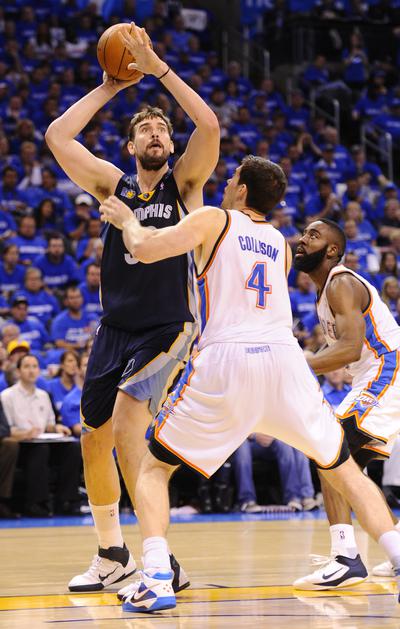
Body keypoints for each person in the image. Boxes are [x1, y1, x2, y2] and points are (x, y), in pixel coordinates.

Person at [99, 156, 400, 613]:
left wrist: (126, 220)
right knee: (345, 470)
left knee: (154, 469)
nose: (225, 185)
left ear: (241, 190)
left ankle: (157, 577)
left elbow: (144, 248)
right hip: (284, 363)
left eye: (231, 179)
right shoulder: (280, 243)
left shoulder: (214, 219)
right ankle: (393, 552)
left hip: (228, 358)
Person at [45, 22, 219, 591]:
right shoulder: (113, 185)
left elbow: (209, 126)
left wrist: (158, 68)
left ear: (170, 144)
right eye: (145, 129)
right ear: (131, 145)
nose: (156, 134)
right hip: (114, 327)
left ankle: (158, 561)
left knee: (125, 422)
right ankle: (111, 554)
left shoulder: (185, 185)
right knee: (92, 436)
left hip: (168, 326)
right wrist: (110, 87)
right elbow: (58, 137)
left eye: (162, 129)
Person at [292, 218, 400, 590]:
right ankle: (388, 546)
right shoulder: (326, 291)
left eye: (313, 235)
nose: (302, 239)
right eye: (304, 233)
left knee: (331, 451)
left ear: (333, 249)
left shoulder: (341, 283)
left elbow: (351, 349)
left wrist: (297, 363)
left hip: (388, 369)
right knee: (346, 468)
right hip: (374, 374)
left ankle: (346, 558)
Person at [1, 353, 81, 516]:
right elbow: (7, 430)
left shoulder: (43, 395)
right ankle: (37, 503)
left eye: (35, 366)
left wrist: (57, 428)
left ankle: (67, 501)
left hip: (43, 441)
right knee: (40, 450)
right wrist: (25, 433)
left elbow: (48, 425)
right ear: (18, 371)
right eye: (26, 366)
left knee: (73, 447)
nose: (31, 370)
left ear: (39, 370)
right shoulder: (7, 396)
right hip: (22, 446)